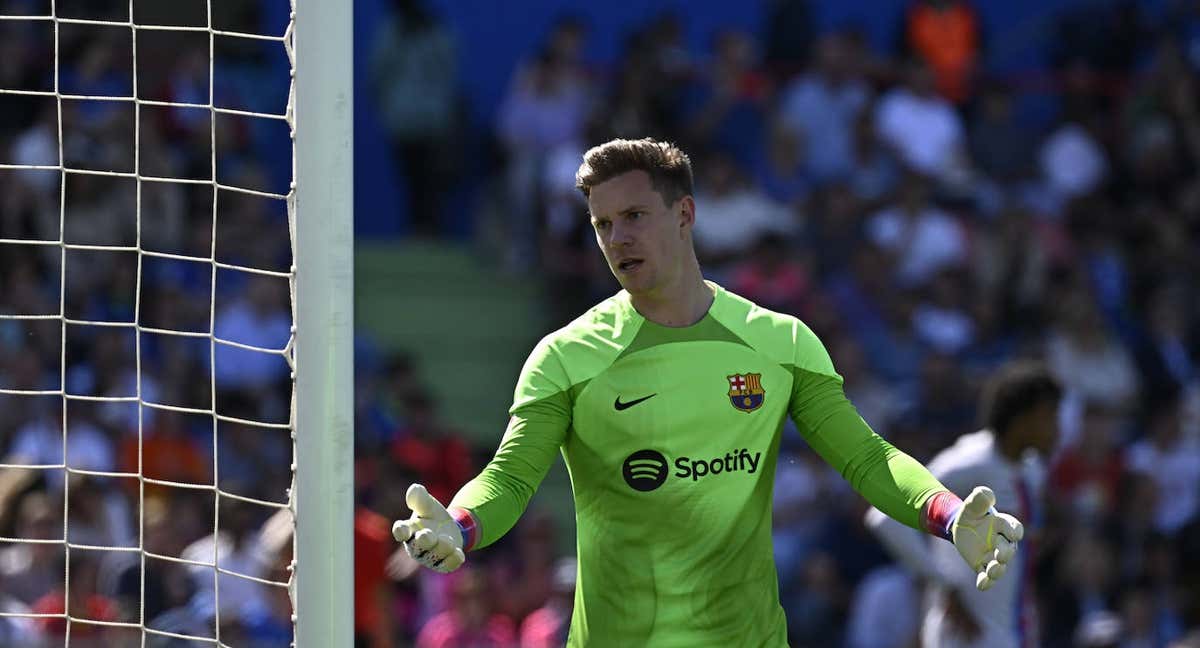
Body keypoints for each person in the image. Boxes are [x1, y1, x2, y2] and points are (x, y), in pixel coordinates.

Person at [392, 138, 1024, 646]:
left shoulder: (779, 341)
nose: (618, 239)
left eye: (635, 216)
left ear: (686, 213)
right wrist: (463, 525)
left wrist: (944, 513)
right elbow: (509, 478)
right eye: (603, 224)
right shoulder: (567, 356)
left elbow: (865, 457)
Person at [865, 360, 1063, 648]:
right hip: (966, 635)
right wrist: (943, 583)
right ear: (1023, 419)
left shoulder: (1031, 469)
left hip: (1011, 629)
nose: (1058, 429)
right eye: (1050, 417)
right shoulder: (970, 462)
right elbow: (885, 515)